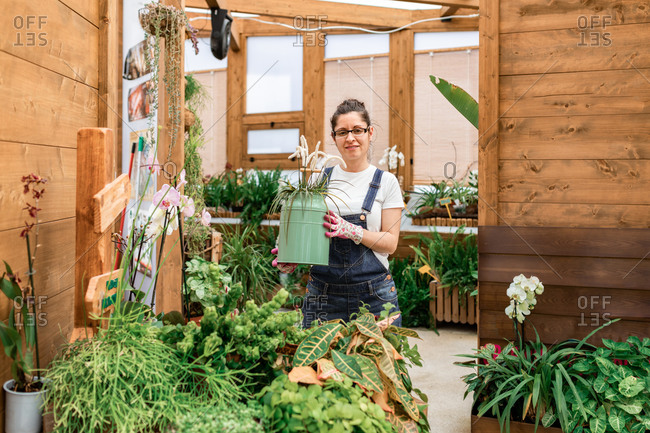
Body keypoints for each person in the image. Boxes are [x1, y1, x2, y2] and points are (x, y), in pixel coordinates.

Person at [272, 99, 404, 328]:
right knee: (316, 362)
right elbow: (309, 237)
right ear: (333, 137)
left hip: (374, 295)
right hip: (323, 293)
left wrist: (353, 231)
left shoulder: (386, 182)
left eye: (357, 130)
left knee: (374, 363)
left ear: (370, 133)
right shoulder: (318, 180)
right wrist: (292, 255)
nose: (350, 138)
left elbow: (391, 243)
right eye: (342, 132)